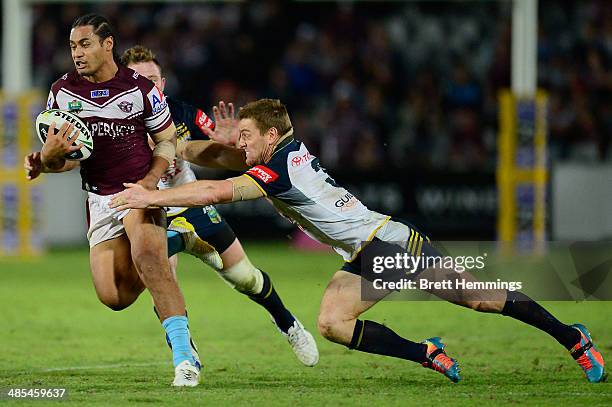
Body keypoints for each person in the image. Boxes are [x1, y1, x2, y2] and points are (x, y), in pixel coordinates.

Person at [110, 98, 606, 384]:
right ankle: (426, 352)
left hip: (388, 241)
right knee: (332, 323)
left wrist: (147, 192)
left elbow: (218, 187)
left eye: (245, 133)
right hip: (364, 252)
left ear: (270, 134)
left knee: (478, 297)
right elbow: (224, 163)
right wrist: (224, 140)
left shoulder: (277, 167)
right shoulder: (281, 151)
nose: (240, 141)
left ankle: (573, 338)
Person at [119, 45, 318, 366]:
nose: (148, 86)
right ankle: (184, 349)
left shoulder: (181, 113)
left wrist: (225, 144)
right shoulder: (113, 123)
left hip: (189, 202)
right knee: (161, 275)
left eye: (153, 79)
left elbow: (227, 159)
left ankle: (288, 324)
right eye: (139, 80)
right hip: (149, 209)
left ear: (163, 84)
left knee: (245, 278)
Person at [34, 13, 203, 386]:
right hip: (98, 198)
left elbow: (167, 140)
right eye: (72, 46)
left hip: (139, 191)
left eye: (85, 44)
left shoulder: (140, 89)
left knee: (149, 261)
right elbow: (61, 159)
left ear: (107, 44)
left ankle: (184, 357)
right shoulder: (62, 92)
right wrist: (45, 158)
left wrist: (149, 183)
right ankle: (177, 239)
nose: (77, 53)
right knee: (114, 297)